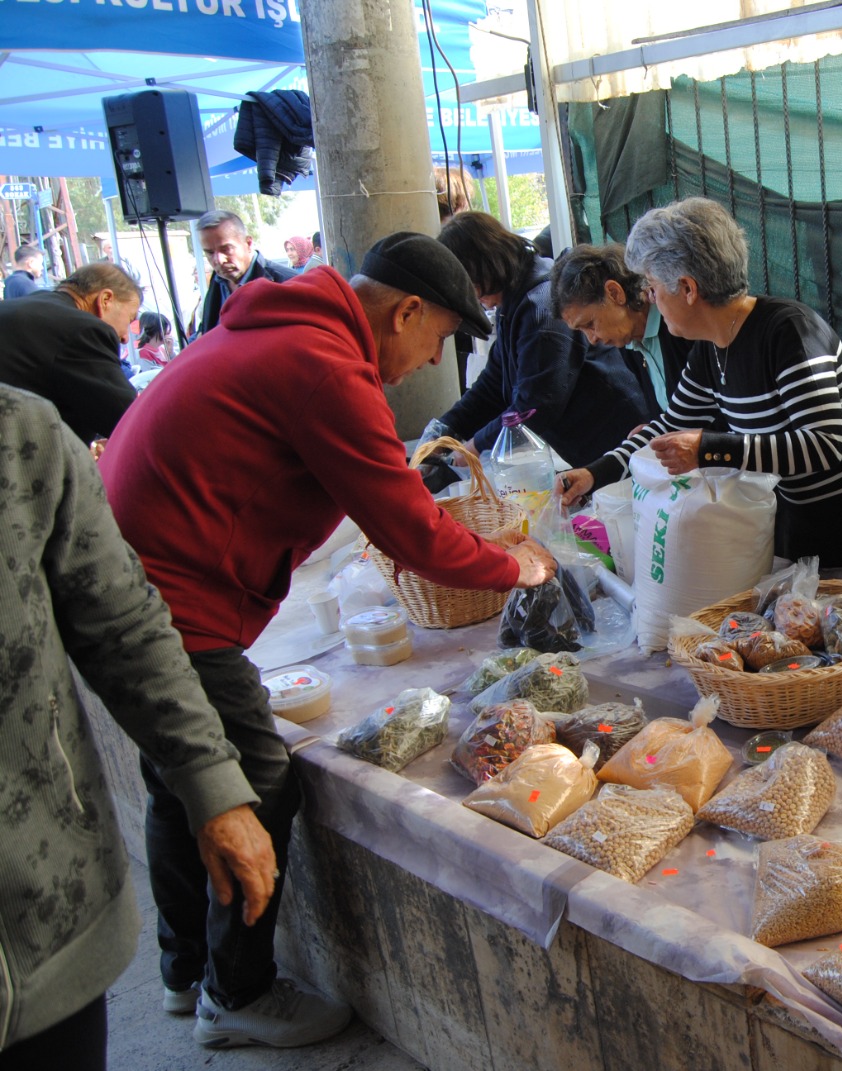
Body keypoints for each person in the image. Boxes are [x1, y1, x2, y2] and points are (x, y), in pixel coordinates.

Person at [98, 231, 556, 1050]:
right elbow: (412, 531)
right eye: (440, 339)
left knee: (178, 775)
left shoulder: (280, 328)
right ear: (407, 310)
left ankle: (184, 968)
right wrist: (516, 567)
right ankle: (235, 991)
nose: (429, 362)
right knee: (254, 781)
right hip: (170, 599)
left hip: (129, 586)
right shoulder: (324, 364)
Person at [0, 384, 277, 1071]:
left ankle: (195, 975)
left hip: (48, 920)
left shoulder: (19, 432)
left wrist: (214, 787)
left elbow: (124, 625)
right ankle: (213, 982)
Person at [558, 197, 842, 578]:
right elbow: (670, 424)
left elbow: (823, 444)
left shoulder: (788, 331)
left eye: (655, 287)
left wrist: (708, 449)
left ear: (688, 289)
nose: (650, 297)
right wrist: (596, 473)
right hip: (814, 522)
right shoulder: (710, 351)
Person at [427, 211, 654, 464]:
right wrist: (444, 430)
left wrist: (474, 447)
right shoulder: (511, 304)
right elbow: (492, 383)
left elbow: (537, 403)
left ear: (483, 265)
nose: (470, 295)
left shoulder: (540, 305)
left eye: (468, 282)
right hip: (590, 449)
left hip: (620, 437)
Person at [0, 262, 140, 442]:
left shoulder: (15, 309)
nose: (125, 337)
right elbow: (129, 420)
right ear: (106, 299)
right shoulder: (83, 330)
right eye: (129, 319)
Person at [550, 241, 694, 415]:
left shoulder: (679, 325)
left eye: (590, 324)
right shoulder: (628, 342)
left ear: (614, 293)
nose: (592, 339)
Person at [193, 209, 296, 337]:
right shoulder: (217, 280)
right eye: (209, 252)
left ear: (248, 243)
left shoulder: (288, 283)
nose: (219, 260)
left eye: (226, 249)